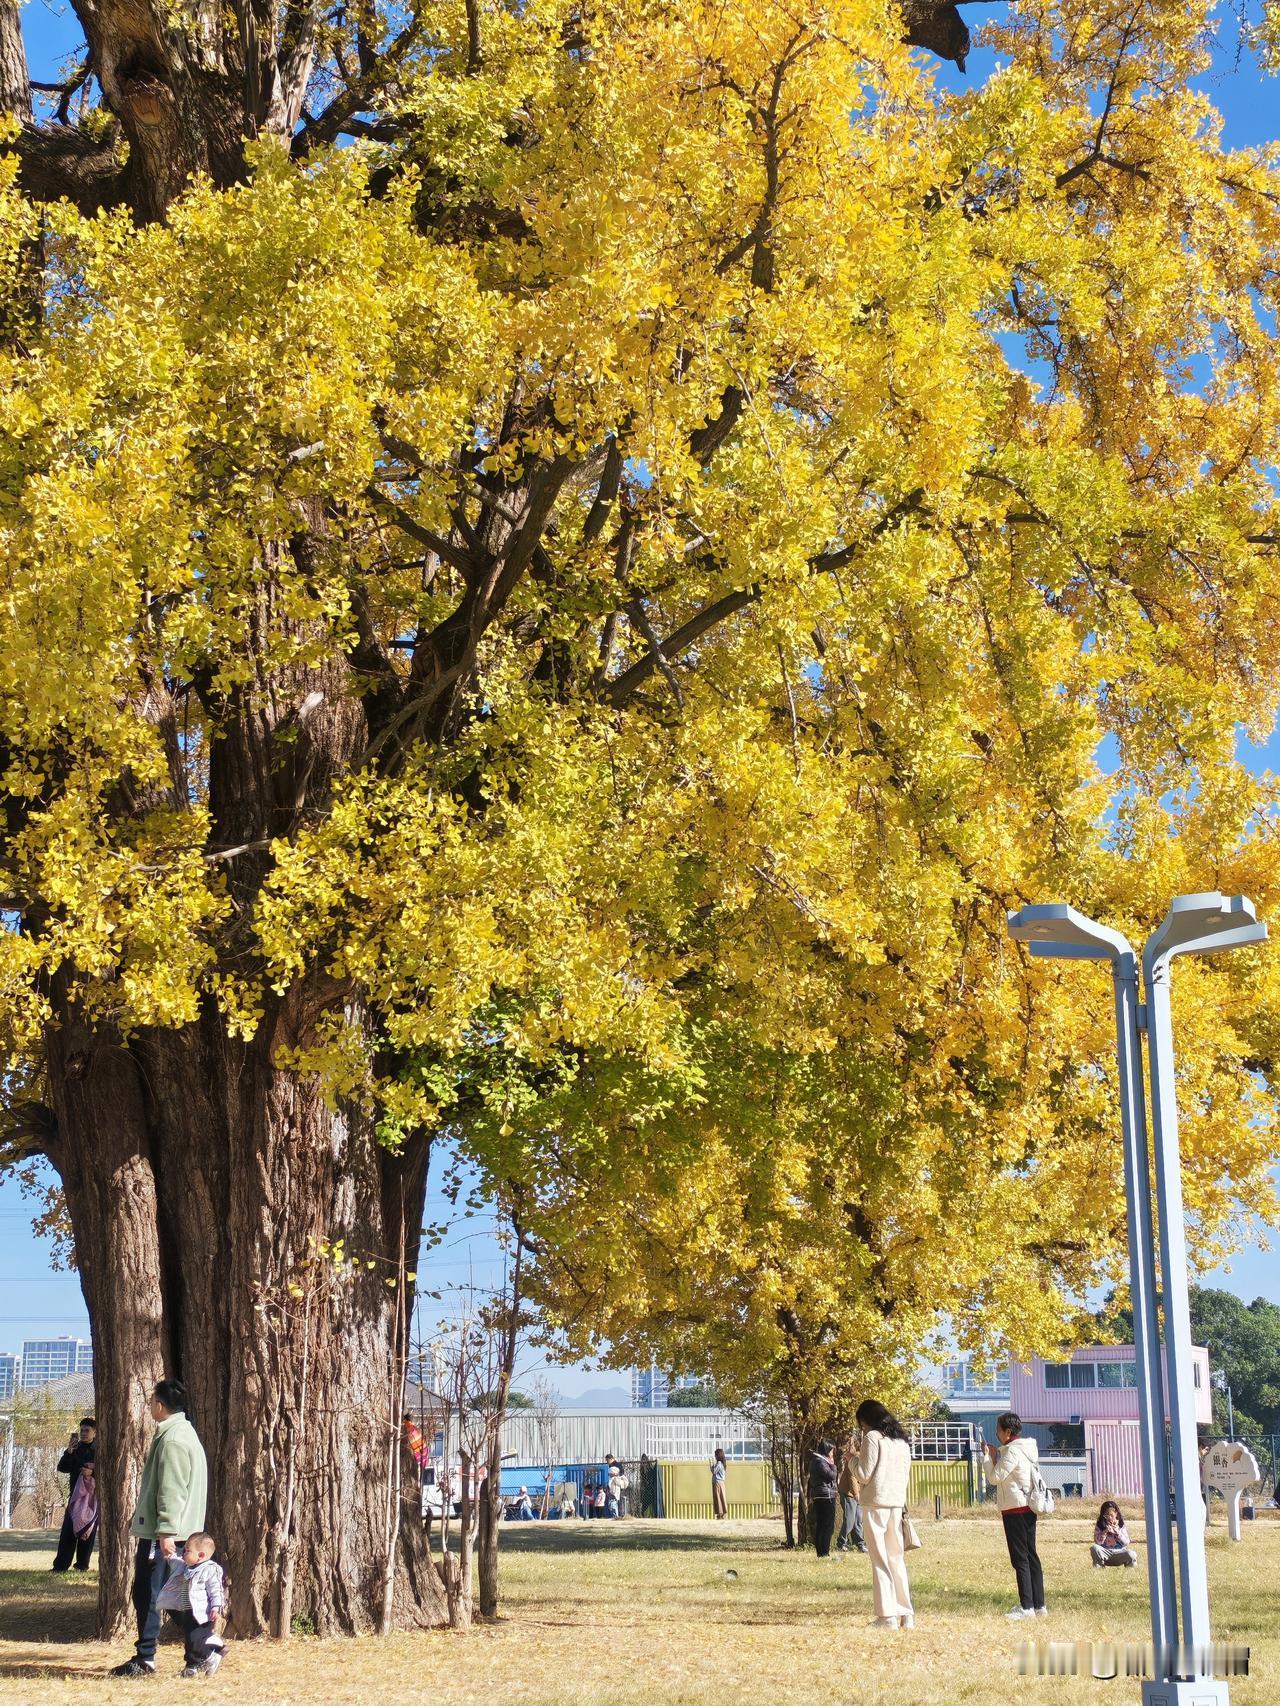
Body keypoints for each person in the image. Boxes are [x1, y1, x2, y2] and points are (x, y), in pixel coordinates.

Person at [108, 1378, 209, 1679]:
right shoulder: (179, 1433)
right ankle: (193, 1653)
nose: (150, 1405)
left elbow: (172, 1489)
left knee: (154, 1595)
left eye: (152, 1401)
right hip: (173, 1532)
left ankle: (160, 1656)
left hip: (169, 1535)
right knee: (163, 1595)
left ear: (161, 1405)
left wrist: (165, 1530)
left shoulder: (174, 1439)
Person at [855, 1400, 914, 1628]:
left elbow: (863, 1474)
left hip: (876, 1504)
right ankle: (906, 1614)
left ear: (866, 1420)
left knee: (880, 1560)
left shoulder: (872, 1438)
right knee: (896, 1558)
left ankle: (886, 1616)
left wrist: (851, 1459)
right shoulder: (901, 1441)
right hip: (896, 1503)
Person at [984, 1410, 1047, 1620]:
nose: (996, 1434)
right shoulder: (1027, 1448)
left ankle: (1026, 1607)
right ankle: (1039, 1605)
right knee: (1031, 1556)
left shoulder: (1012, 1451)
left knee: (1020, 1558)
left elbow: (995, 1477)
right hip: (1028, 1507)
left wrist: (989, 1458)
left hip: (1014, 1509)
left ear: (1008, 1431)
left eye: (998, 1430)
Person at [156, 1530, 226, 1678]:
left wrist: (216, 1607)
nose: (184, 1553)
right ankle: (192, 1666)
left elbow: (216, 1590)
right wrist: (169, 1556)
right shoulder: (187, 1566)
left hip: (202, 1613)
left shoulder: (210, 1569)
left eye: (187, 1550)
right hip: (188, 1611)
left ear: (201, 1555)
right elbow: (176, 1562)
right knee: (189, 1639)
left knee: (195, 1639)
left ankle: (212, 1652)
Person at [52, 1418, 97, 1573]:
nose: (83, 1433)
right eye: (82, 1430)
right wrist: (69, 1452)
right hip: (75, 1496)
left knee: (87, 1531)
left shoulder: (99, 1449)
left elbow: (108, 1471)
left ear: (95, 1432)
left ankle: (82, 1566)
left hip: (93, 1498)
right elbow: (62, 1468)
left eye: (87, 1430)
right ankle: (60, 1566)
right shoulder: (75, 1448)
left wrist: (93, 1472)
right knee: (68, 1531)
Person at [808, 1438, 838, 1559]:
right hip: (826, 1496)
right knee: (827, 1526)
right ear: (827, 1450)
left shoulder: (817, 1461)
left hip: (820, 1495)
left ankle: (821, 1553)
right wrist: (833, 1465)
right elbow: (832, 1476)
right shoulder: (821, 1462)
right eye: (831, 1450)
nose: (832, 1453)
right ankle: (824, 1552)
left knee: (821, 1525)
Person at [837, 1435, 866, 1554]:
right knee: (849, 1519)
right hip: (849, 1493)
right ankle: (841, 1543)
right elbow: (852, 1477)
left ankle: (860, 1544)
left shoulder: (860, 1457)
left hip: (857, 1494)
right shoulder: (855, 1458)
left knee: (858, 1519)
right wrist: (856, 1493)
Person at [1091, 1500, 1138, 1567]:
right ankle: (1099, 1569)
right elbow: (1097, 1543)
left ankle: (1130, 1571)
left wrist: (1117, 1533)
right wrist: (1104, 1532)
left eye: (1111, 1515)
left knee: (1132, 1554)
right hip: (1105, 1552)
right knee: (1094, 1548)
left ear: (1116, 1513)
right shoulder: (1100, 1525)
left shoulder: (1121, 1525)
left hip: (1119, 1552)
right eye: (1106, 1515)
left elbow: (1126, 1542)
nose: (1109, 1517)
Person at [711, 1447, 729, 1520]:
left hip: (717, 1482)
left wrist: (711, 1464)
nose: (715, 1456)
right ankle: (722, 1514)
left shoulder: (718, 1463)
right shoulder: (723, 1463)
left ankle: (720, 1514)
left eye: (715, 1455)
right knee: (722, 1497)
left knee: (717, 1498)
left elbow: (714, 1471)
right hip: (722, 1482)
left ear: (718, 1455)